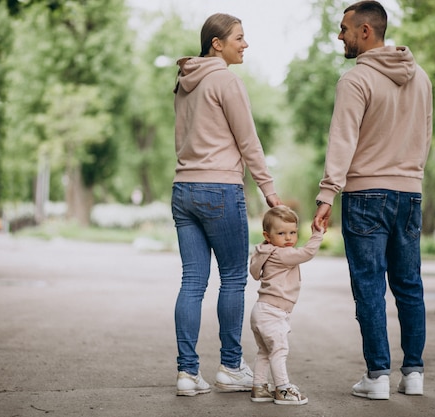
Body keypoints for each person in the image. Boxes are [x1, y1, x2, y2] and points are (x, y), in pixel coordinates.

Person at [313, 0, 433, 400]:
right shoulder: (422, 80)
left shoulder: (355, 80)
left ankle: (378, 376)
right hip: (410, 193)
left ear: (366, 31)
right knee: (409, 284)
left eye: (344, 28)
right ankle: (413, 373)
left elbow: (343, 140)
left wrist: (327, 194)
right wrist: (411, 178)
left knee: (369, 286)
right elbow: (425, 137)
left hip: (366, 193)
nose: (339, 35)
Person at [172, 13, 283, 397]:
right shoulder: (226, 80)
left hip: (183, 190)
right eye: (239, 37)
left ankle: (187, 374)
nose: (245, 43)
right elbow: (248, 141)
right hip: (219, 189)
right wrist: (269, 190)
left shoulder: (185, 82)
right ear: (216, 43)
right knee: (234, 277)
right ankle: (231, 366)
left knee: (192, 282)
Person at [249, 206, 323, 405]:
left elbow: (255, 273)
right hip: (273, 312)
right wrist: (318, 234)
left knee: (265, 351)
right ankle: (282, 389)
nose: (288, 238)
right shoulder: (282, 254)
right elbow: (307, 253)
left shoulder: (264, 251)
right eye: (281, 233)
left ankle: (259, 387)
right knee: (279, 351)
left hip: (261, 310)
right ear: (268, 235)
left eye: (292, 232)